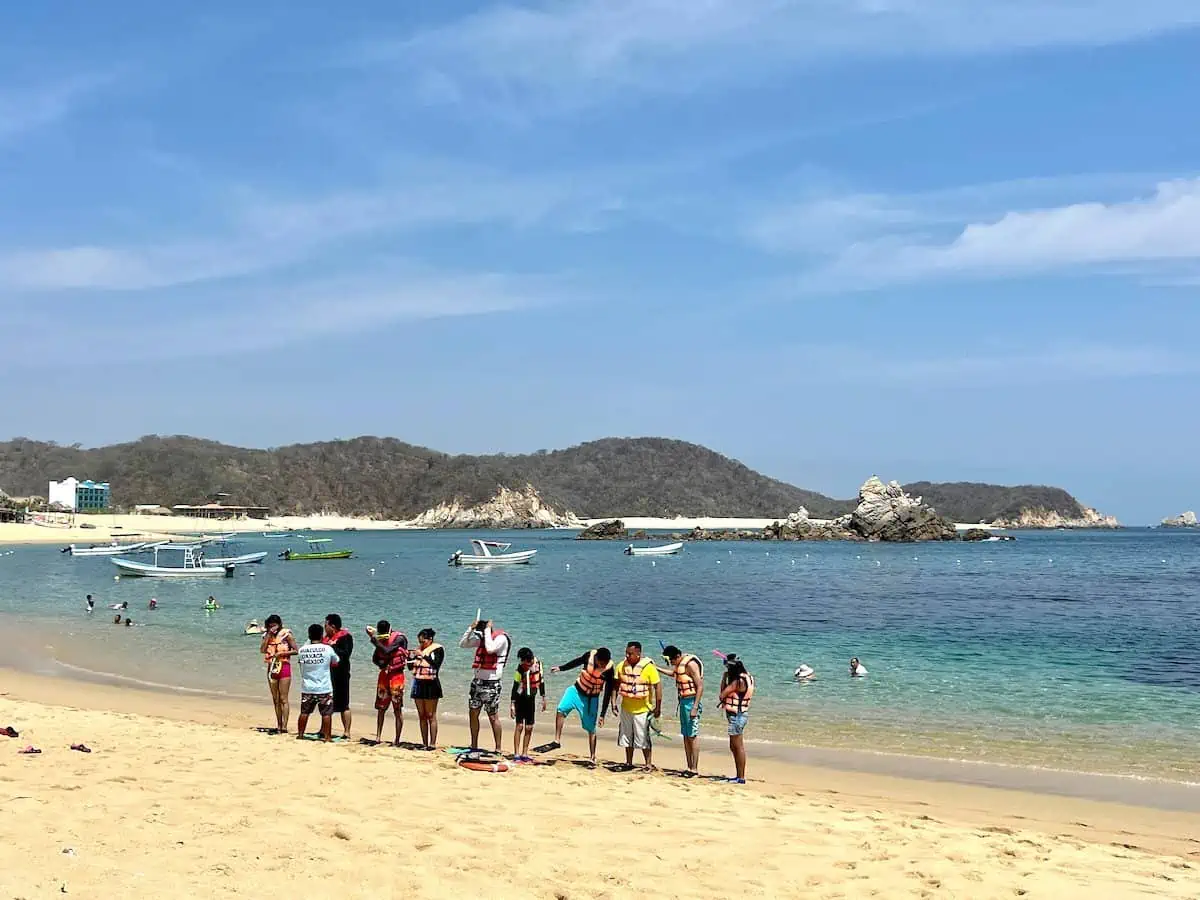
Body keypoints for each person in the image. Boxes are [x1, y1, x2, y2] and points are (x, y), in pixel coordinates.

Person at [547, 648, 617, 763]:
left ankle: (592, 756)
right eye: (601, 663)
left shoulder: (609, 670)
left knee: (591, 729)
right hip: (576, 691)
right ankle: (557, 741)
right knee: (561, 709)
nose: (602, 665)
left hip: (591, 699)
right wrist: (560, 668)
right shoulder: (589, 656)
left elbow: (608, 693)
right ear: (597, 659)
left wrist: (603, 715)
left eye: (605, 663)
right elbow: (576, 662)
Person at [459, 617, 511, 752]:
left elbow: (490, 648)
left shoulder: (500, 639)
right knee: (473, 713)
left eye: (480, 633)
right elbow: (463, 644)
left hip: (492, 683)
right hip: (477, 682)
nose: (479, 637)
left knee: (492, 716)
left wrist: (487, 629)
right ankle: (474, 744)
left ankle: (498, 748)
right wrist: (470, 629)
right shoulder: (482, 638)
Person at [613, 641, 662, 772]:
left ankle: (648, 764)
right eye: (626, 653)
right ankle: (628, 762)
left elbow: (657, 687)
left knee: (643, 737)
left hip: (643, 709)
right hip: (626, 707)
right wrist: (613, 702)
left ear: (638, 654)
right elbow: (616, 685)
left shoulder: (649, 668)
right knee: (626, 736)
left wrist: (658, 707)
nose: (628, 656)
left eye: (630, 653)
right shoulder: (621, 666)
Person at [662, 645, 704, 776]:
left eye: (671, 661)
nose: (671, 664)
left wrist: (695, 707)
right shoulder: (678, 665)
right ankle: (689, 766)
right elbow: (673, 674)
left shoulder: (690, 664)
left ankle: (694, 768)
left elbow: (700, 686)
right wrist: (657, 668)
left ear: (677, 657)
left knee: (692, 735)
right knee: (686, 736)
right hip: (683, 701)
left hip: (691, 702)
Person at [296, 624, 340, 742]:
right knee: (326, 714)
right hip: (324, 687)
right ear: (322, 635)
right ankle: (327, 737)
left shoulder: (302, 650)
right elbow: (336, 661)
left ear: (309, 635)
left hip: (307, 687)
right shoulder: (327, 649)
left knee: (304, 712)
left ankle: (300, 735)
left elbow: (300, 663)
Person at [367, 620, 408, 746]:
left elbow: (387, 651)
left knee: (397, 709)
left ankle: (397, 739)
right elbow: (375, 658)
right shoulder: (381, 640)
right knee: (381, 708)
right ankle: (378, 736)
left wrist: (374, 640)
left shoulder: (399, 638)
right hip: (384, 676)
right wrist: (382, 665)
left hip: (397, 676)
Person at [718, 653, 755, 784]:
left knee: (737, 747)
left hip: (736, 716)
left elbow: (722, 695)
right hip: (741, 714)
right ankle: (739, 776)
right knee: (735, 747)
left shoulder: (737, 682)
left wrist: (724, 679)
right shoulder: (748, 677)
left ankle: (740, 777)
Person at [260, 614, 297, 733]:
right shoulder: (266, 636)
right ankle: (279, 725)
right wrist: (269, 635)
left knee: (283, 698)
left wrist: (282, 654)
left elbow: (296, 650)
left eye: (275, 626)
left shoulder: (287, 635)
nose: (273, 628)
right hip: (272, 668)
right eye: (270, 626)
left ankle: (285, 726)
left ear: (279, 625)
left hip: (284, 666)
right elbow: (262, 650)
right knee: (275, 699)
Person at [408, 628, 444, 748]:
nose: (421, 644)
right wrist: (409, 657)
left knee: (430, 714)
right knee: (421, 715)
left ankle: (432, 743)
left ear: (430, 640)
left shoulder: (438, 649)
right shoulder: (418, 650)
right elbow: (410, 667)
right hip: (418, 683)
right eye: (420, 642)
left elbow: (436, 664)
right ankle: (424, 743)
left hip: (431, 684)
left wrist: (423, 655)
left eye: (423, 642)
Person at [510, 648, 546, 762]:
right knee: (519, 726)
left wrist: (543, 697)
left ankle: (524, 753)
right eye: (524, 661)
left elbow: (541, 682)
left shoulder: (538, 665)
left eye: (528, 661)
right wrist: (512, 704)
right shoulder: (520, 669)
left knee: (529, 727)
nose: (526, 663)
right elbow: (515, 686)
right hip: (520, 699)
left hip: (531, 699)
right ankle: (516, 754)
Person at [324, 614, 354, 739]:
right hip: (327, 675)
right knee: (325, 703)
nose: (324, 627)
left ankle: (347, 732)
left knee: (344, 704)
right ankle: (323, 730)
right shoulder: (326, 638)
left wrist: (333, 646)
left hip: (341, 674)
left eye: (326, 625)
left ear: (333, 626)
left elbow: (346, 654)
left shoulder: (345, 637)